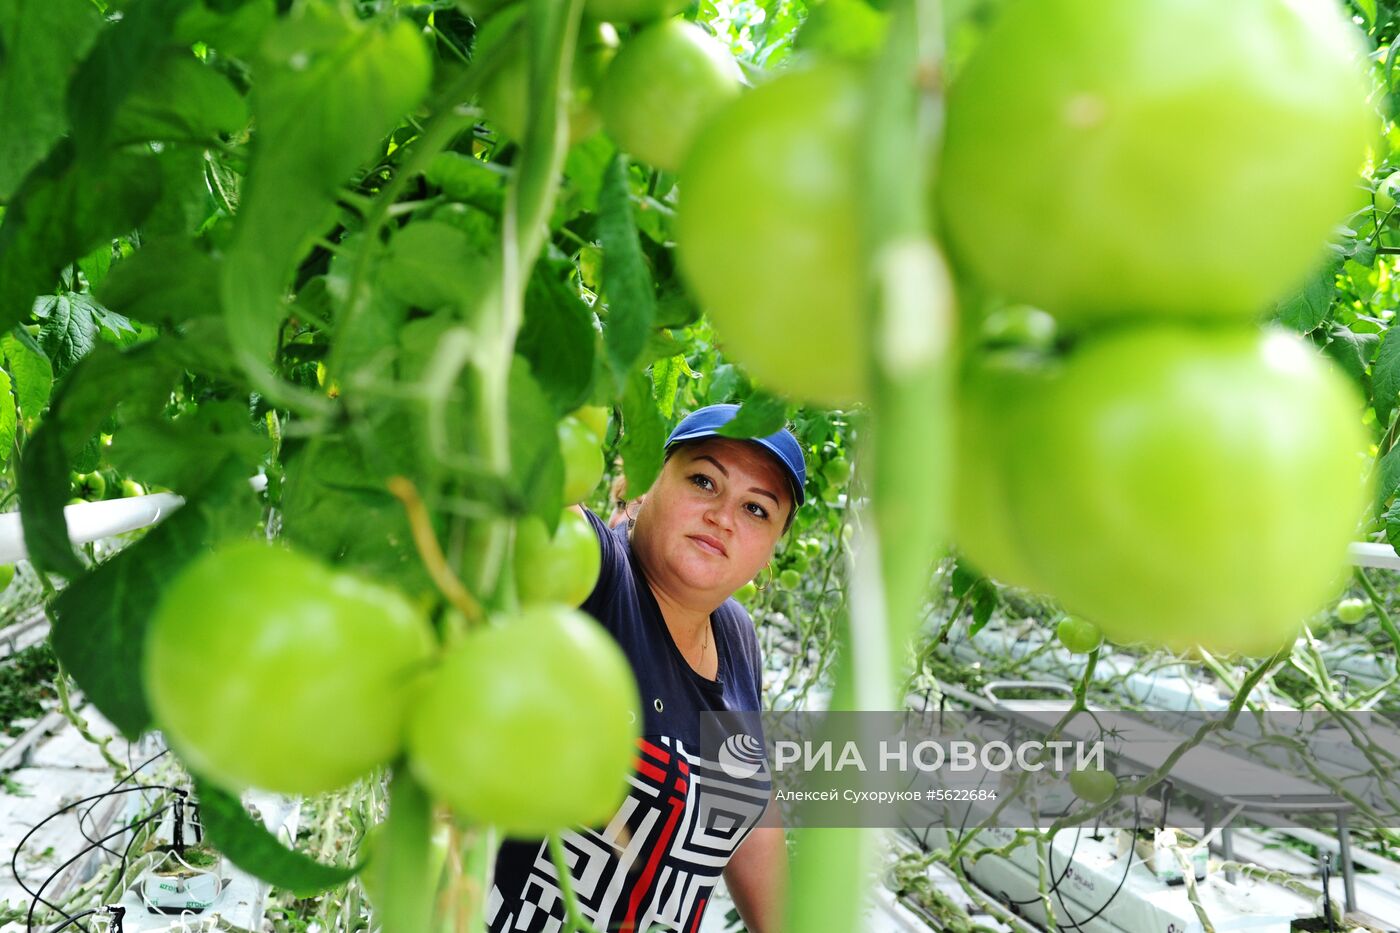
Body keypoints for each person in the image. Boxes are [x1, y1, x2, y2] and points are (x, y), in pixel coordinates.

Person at [486, 403, 801, 932]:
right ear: (641, 485)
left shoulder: (738, 637)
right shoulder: (593, 573)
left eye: (756, 510)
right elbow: (523, 501)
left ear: (770, 553)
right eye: (704, 480)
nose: (723, 516)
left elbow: (747, 811)